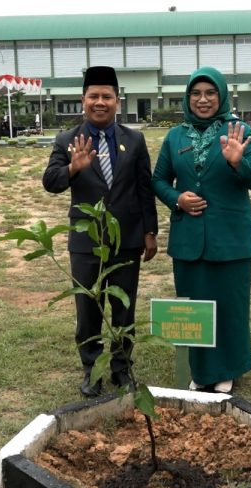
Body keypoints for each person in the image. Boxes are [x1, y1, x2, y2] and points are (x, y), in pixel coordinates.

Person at [151, 66, 251, 394]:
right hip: (188, 238)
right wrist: (177, 199)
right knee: (194, 305)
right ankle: (201, 370)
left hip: (230, 238)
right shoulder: (175, 136)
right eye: (196, 94)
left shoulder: (240, 130)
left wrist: (237, 162)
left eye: (210, 93)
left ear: (221, 96)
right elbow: (158, 179)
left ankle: (228, 369)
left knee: (230, 305)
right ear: (187, 98)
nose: (203, 100)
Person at [43, 66, 159, 398]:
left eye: (106, 96)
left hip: (127, 240)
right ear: (83, 100)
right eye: (93, 96)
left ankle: (122, 369)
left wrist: (149, 232)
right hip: (86, 243)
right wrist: (72, 168)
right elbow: (50, 182)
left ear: (117, 102)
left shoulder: (134, 140)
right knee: (88, 310)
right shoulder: (67, 140)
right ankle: (92, 370)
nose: (100, 102)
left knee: (124, 308)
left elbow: (144, 188)